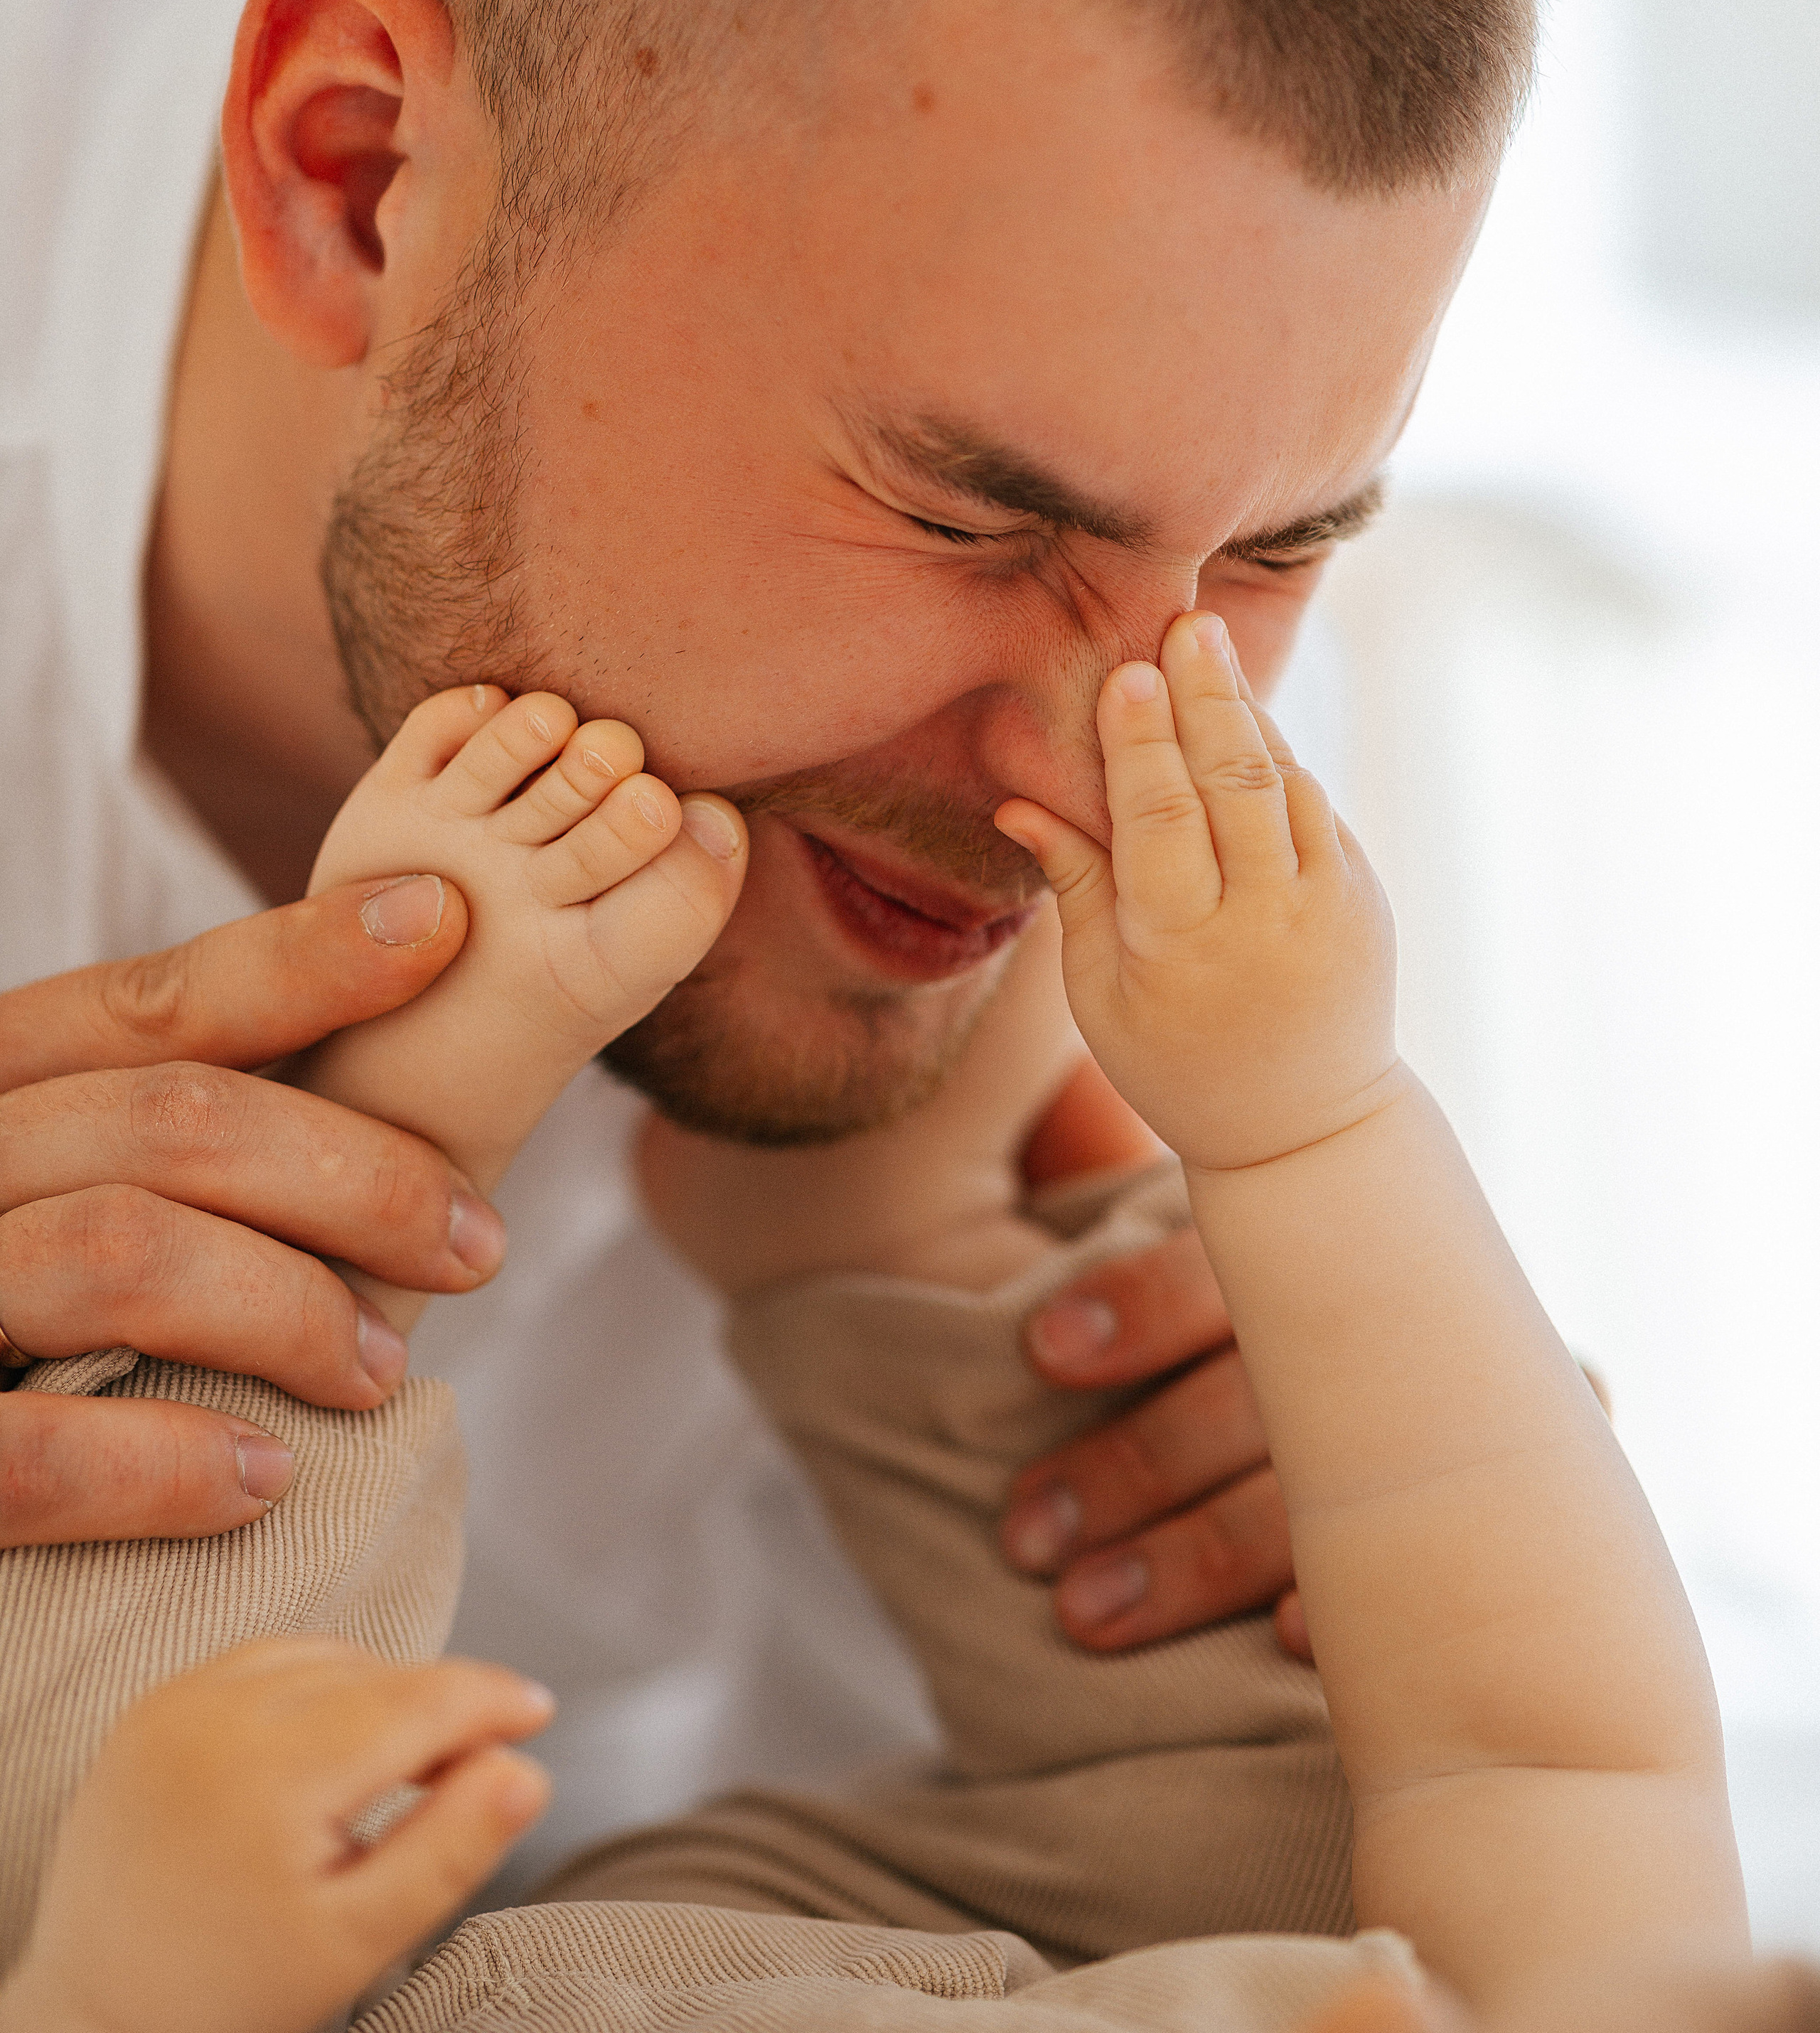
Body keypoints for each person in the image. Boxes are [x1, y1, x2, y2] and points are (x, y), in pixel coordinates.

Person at [1, 0, 1540, 1882]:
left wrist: (1334, 1588)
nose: (1103, 786)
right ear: (358, 176)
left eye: (1280, 549)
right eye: (966, 518)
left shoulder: (1129, 743)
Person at [0, 640, 1792, 2033]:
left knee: (103, 1782)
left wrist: (112, 1997)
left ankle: (375, 1153)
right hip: (1058, 1922)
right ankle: (897, 1242)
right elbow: (1542, 1752)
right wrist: (1308, 1124)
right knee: (1332, 1724)